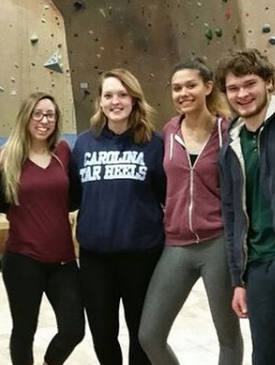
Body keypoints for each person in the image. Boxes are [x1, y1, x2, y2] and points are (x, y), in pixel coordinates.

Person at [138, 59, 243, 364]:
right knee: (150, 335)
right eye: (177, 88)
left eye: (191, 85)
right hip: (177, 244)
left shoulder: (229, 132)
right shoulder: (169, 131)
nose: (183, 92)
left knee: (227, 335)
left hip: (218, 244)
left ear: (208, 87)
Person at [70, 69, 165, 365]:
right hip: (95, 258)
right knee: (102, 333)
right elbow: (74, 195)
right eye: (109, 95)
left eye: (123, 94)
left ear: (134, 100)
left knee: (142, 334)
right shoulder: (84, 144)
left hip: (142, 256)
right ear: (99, 101)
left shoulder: (154, 144)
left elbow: (165, 195)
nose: (116, 101)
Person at [0, 92, 85, 365]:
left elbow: (74, 196)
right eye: (38, 114)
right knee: (24, 331)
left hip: (63, 259)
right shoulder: (7, 157)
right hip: (23, 260)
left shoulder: (63, 152)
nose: (44, 120)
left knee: (73, 330)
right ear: (26, 117)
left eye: (50, 115)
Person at [216, 48, 275, 365]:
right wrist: (238, 281)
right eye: (233, 88)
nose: (242, 94)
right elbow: (231, 215)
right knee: (266, 357)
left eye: (250, 84)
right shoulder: (231, 145)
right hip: (259, 267)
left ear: (269, 82)